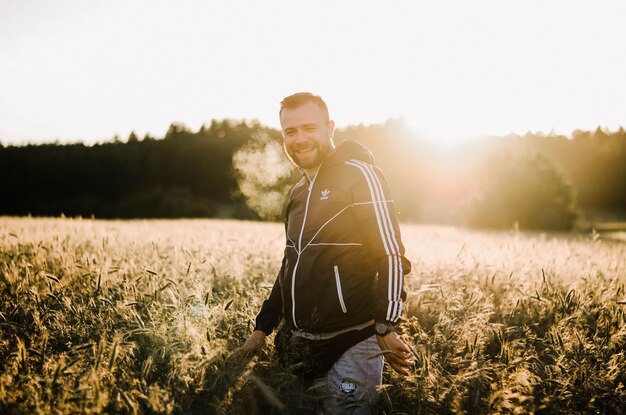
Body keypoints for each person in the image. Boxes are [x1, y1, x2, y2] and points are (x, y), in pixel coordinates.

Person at [240, 92, 413, 413]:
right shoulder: (297, 192)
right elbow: (291, 262)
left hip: (354, 341)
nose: (300, 139)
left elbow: (390, 253)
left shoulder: (360, 175)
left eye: (309, 128)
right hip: (299, 345)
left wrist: (386, 325)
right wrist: (263, 327)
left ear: (330, 128)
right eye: (290, 132)